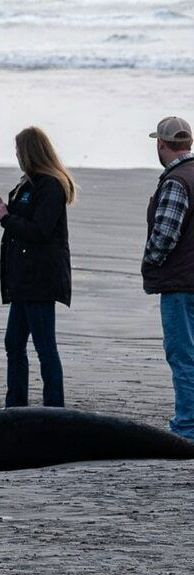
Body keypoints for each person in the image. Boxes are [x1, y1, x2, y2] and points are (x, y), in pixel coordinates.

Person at [0, 126, 76, 408]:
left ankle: (54, 407)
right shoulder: (29, 183)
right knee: (13, 343)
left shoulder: (50, 186)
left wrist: (5, 217)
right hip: (23, 279)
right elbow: (22, 220)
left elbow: (40, 231)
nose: (15, 155)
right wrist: (3, 209)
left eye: (18, 151)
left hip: (40, 279)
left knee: (45, 347)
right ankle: (15, 405)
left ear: (29, 153)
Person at [142, 116, 194, 441]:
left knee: (182, 354)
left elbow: (165, 234)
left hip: (181, 283)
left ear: (161, 144)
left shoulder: (177, 181)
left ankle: (187, 427)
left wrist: (151, 261)